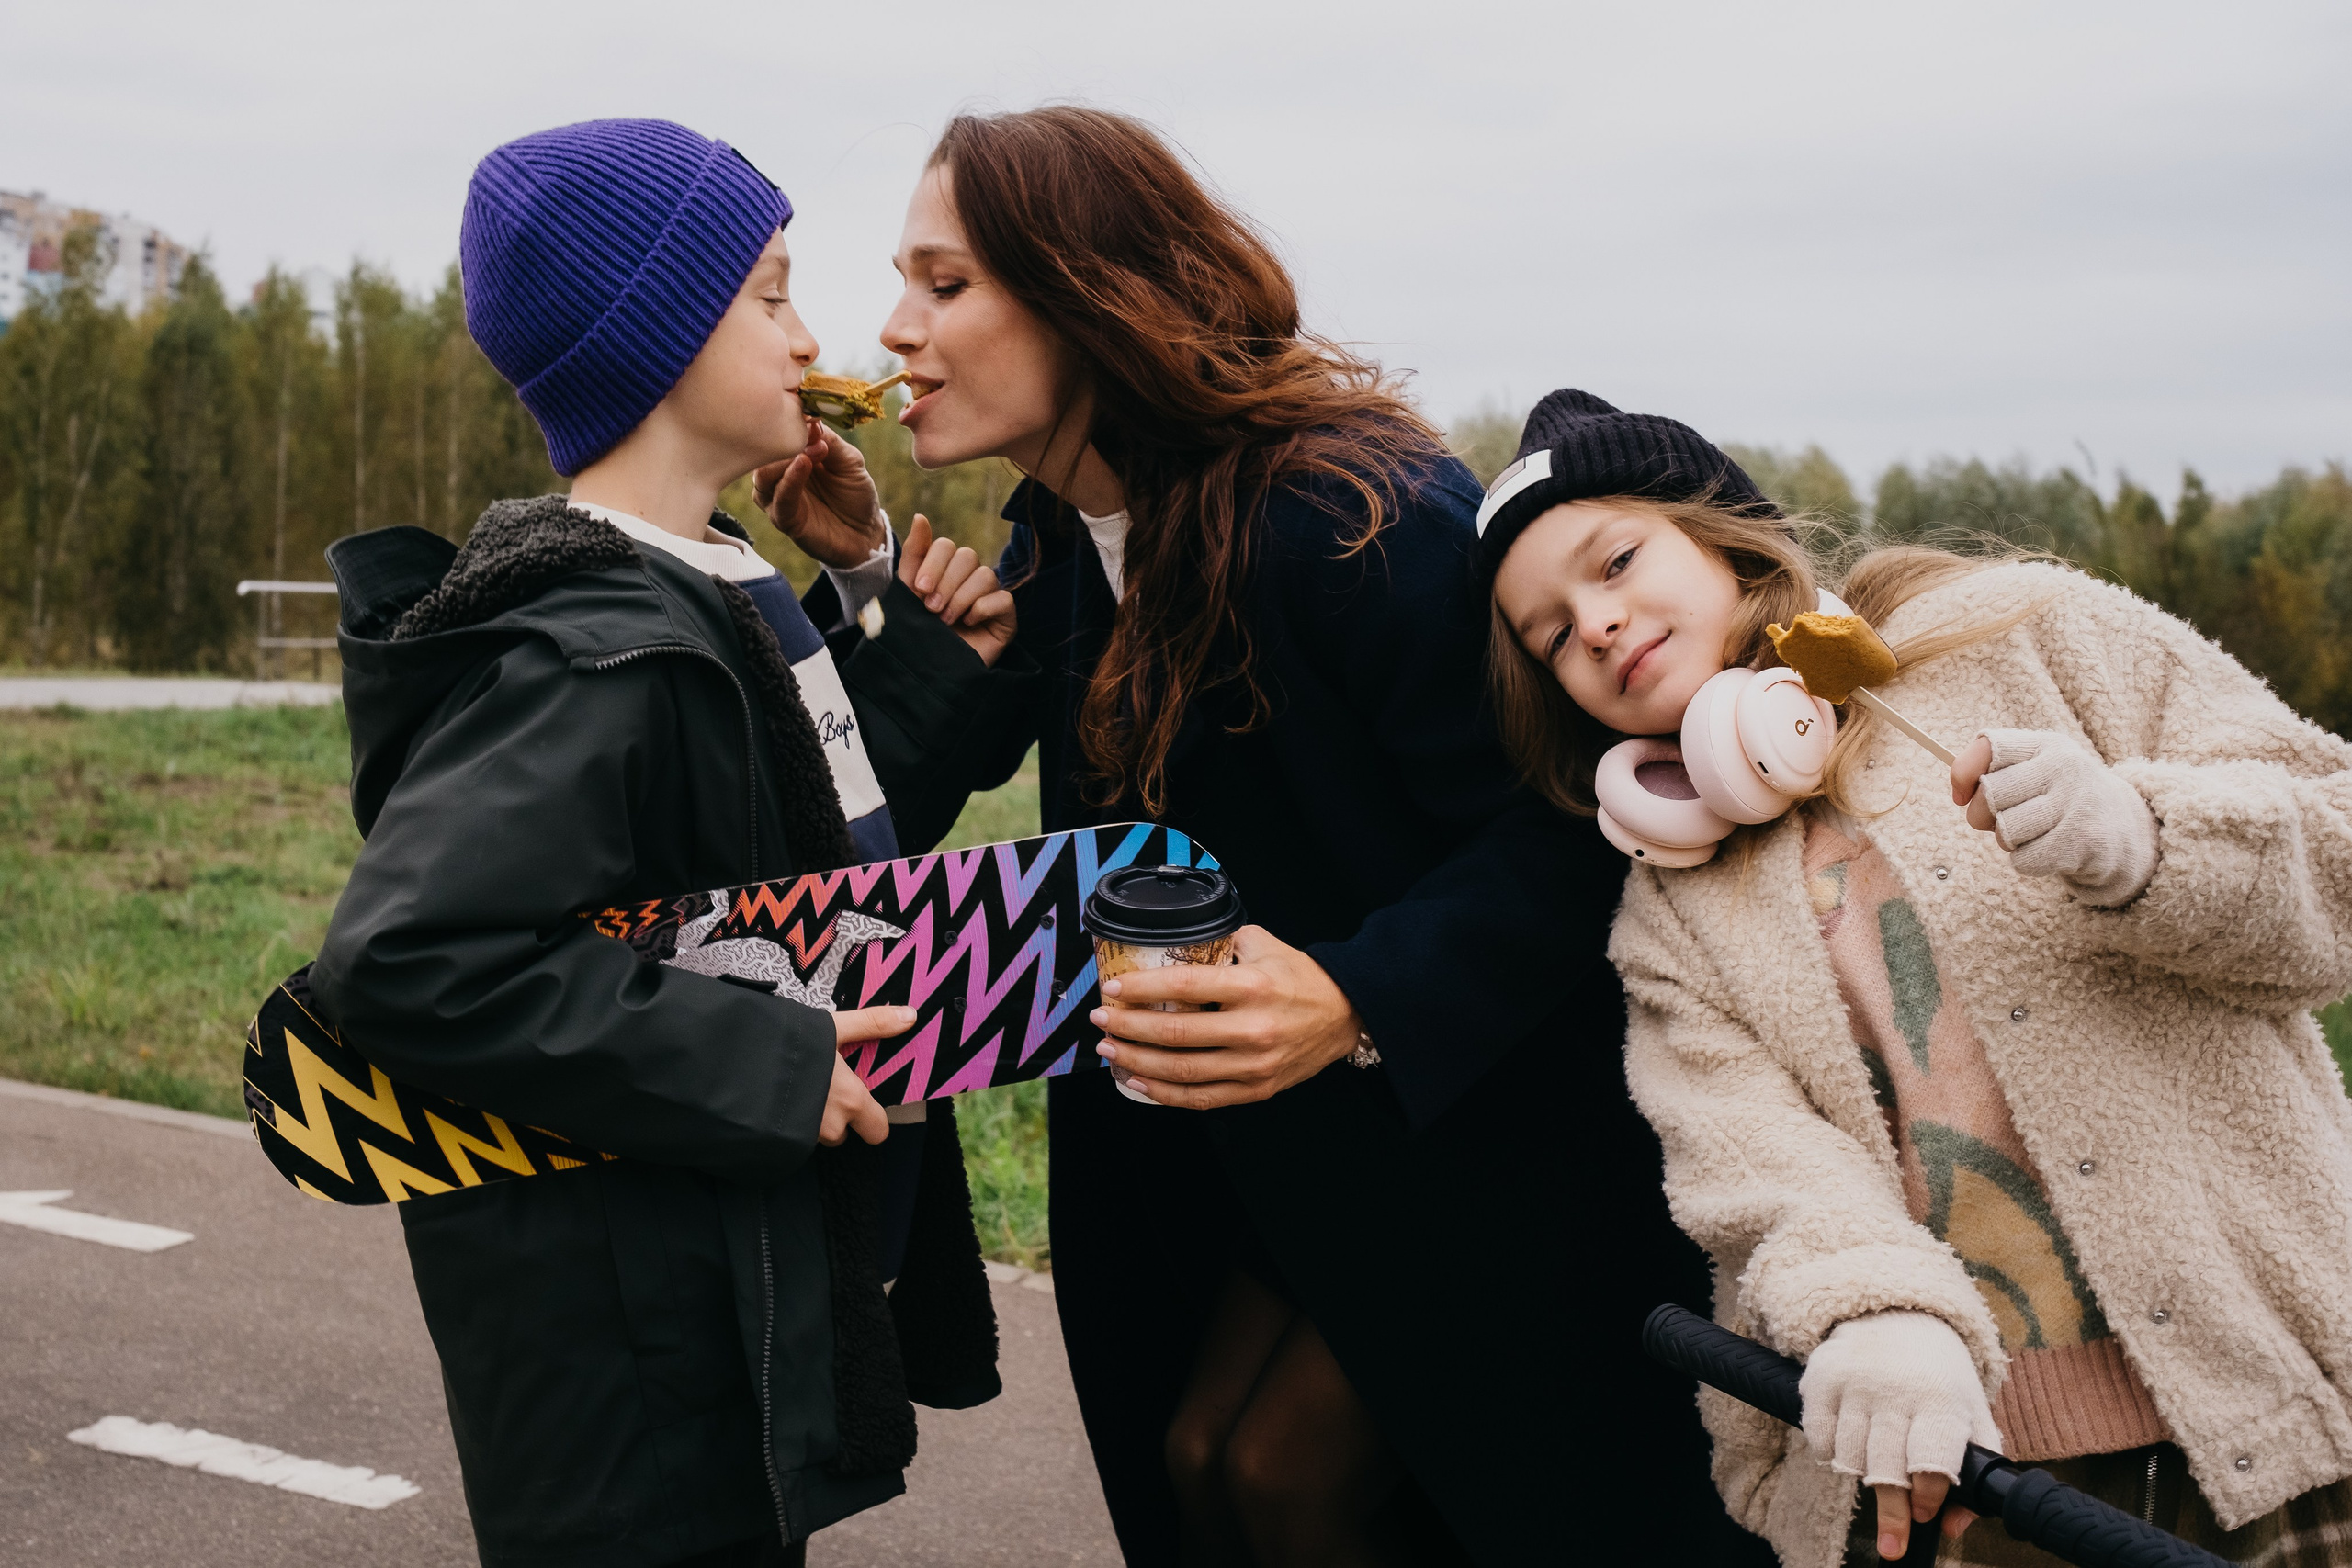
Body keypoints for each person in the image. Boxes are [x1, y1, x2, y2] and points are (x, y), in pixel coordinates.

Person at [763, 107, 1770, 1565]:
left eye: (946, 282)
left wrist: (1361, 992)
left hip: (1493, 1132)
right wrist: (866, 572)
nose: (894, 329)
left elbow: (1576, 821)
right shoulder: (1065, 524)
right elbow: (976, 751)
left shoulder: (1350, 513)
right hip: (1285, 1151)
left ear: (1084, 285)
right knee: (1204, 1459)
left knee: (1291, 1477)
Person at [309, 118, 1030, 1568]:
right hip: (627, 1371)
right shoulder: (591, 645)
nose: (811, 332)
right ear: (655, 333)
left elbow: (810, 828)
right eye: (769, 293)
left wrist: (877, 587)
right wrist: (770, 1054)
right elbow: (410, 956)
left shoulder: (714, 582)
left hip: (723, 1295)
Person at [1482, 388, 2352, 1566]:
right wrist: (1875, 1314)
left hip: (2291, 1413)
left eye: (1618, 559)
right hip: (1968, 1485)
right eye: (1547, 632)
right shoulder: (1664, 921)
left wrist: (2146, 839)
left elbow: (2337, 861)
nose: (1591, 622)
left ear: (1721, 533)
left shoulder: (2029, 634)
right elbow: (1755, 1163)